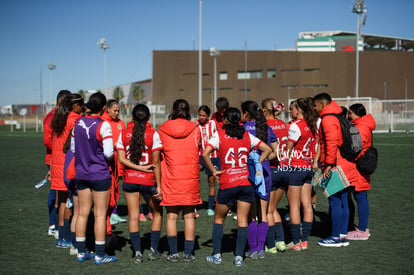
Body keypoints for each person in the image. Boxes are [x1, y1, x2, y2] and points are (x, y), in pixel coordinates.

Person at [204, 107, 272, 267]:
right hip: (245, 183)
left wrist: (214, 171)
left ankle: (217, 254)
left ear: (226, 120)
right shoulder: (247, 135)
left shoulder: (219, 135)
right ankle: (239, 257)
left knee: (219, 219)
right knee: (242, 220)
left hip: (228, 183)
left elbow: (205, 153)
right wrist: (257, 163)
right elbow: (268, 149)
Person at [72, 93, 124, 264]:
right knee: (100, 215)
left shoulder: (77, 123)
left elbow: (73, 149)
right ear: (103, 108)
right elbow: (109, 153)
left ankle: (81, 252)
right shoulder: (104, 125)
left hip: (81, 173)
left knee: (82, 213)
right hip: (100, 174)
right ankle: (100, 255)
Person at [152, 99, 202, 262]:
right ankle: (188, 253)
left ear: (173, 110)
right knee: (189, 217)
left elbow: (157, 158)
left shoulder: (162, 130)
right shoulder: (196, 130)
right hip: (190, 180)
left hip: (171, 180)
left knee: (171, 217)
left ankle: (173, 253)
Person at [116, 103, 164, 263]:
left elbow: (121, 159)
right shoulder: (153, 134)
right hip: (148, 180)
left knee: (133, 216)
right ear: (148, 117)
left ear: (132, 117)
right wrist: (159, 185)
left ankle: (137, 252)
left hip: (129, 180)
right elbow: (156, 163)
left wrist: (136, 168)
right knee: (157, 213)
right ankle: (153, 250)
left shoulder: (123, 133)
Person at [313, 93, 358, 247]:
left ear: (321, 104)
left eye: (315, 105)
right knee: (343, 200)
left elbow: (331, 143)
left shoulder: (328, 119)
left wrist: (329, 165)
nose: (314, 108)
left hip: (336, 165)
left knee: (335, 201)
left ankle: (336, 236)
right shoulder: (338, 116)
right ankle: (342, 234)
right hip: (344, 163)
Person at [240, 100, 278, 259]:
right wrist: (262, 161)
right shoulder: (267, 128)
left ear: (246, 114)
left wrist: (252, 161)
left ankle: (252, 248)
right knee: (263, 213)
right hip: (265, 173)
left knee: (250, 215)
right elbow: (275, 152)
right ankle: (260, 249)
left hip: (248, 174)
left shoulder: (242, 129)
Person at [50, 92, 83, 248]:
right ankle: (68, 237)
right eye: (81, 105)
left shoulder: (59, 118)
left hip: (56, 163)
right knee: (70, 204)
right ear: (75, 106)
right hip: (66, 164)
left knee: (62, 202)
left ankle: (61, 236)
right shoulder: (73, 120)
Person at [285, 98, 317, 251]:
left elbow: (288, 149)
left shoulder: (296, 126)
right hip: (307, 167)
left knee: (294, 206)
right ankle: (304, 241)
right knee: (307, 205)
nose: (291, 111)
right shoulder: (312, 125)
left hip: (296, 168)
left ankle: (296, 242)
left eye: (293, 109)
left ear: (299, 110)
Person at [43, 89, 71, 237]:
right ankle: (53, 224)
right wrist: (61, 146)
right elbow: (47, 140)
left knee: (63, 195)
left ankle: (61, 227)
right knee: (56, 193)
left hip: (63, 159)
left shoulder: (65, 116)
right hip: (55, 160)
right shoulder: (51, 117)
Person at [261, 98, 288, 253]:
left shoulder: (266, 126)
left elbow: (270, 150)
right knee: (274, 208)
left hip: (272, 168)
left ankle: (271, 244)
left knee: (268, 210)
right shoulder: (283, 124)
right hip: (285, 168)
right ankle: (281, 241)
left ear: (265, 109)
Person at [347, 103, 376, 240]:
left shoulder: (360, 127)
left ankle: (363, 230)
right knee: (360, 196)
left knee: (360, 196)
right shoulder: (364, 125)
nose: (348, 115)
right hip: (361, 165)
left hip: (359, 166)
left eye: (349, 113)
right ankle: (363, 228)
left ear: (353, 112)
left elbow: (357, 148)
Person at [101, 99, 127, 228]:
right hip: (107, 161)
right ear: (107, 109)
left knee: (116, 187)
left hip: (118, 161)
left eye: (118, 111)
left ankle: (114, 213)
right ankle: (107, 214)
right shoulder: (103, 122)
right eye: (115, 110)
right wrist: (114, 145)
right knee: (108, 188)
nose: (117, 113)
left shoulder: (121, 123)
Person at [194, 105, 219, 216]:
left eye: (204, 115)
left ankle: (210, 207)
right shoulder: (195, 124)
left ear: (208, 116)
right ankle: (193, 206)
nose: (201, 117)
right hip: (199, 156)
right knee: (194, 180)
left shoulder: (213, 123)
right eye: (200, 115)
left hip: (212, 156)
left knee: (211, 181)